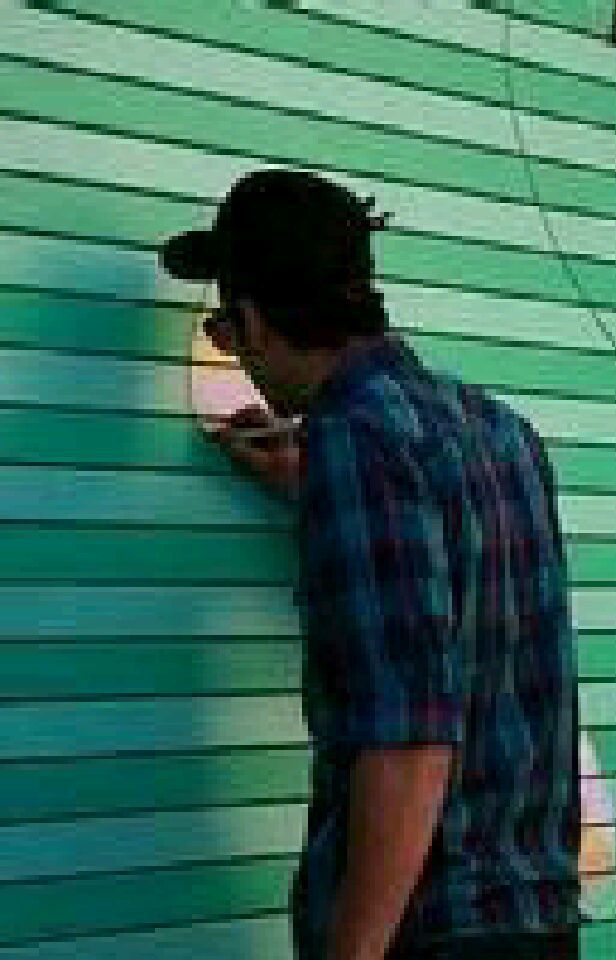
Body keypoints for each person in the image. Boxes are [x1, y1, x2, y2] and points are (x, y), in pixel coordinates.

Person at [158, 168, 581, 960]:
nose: (234, 357)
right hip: (535, 919)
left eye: (224, 332)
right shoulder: (504, 431)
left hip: (429, 933)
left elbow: (408, 740)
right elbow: (456, 586)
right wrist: (312, 485)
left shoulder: (354, 439)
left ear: (254, 321)